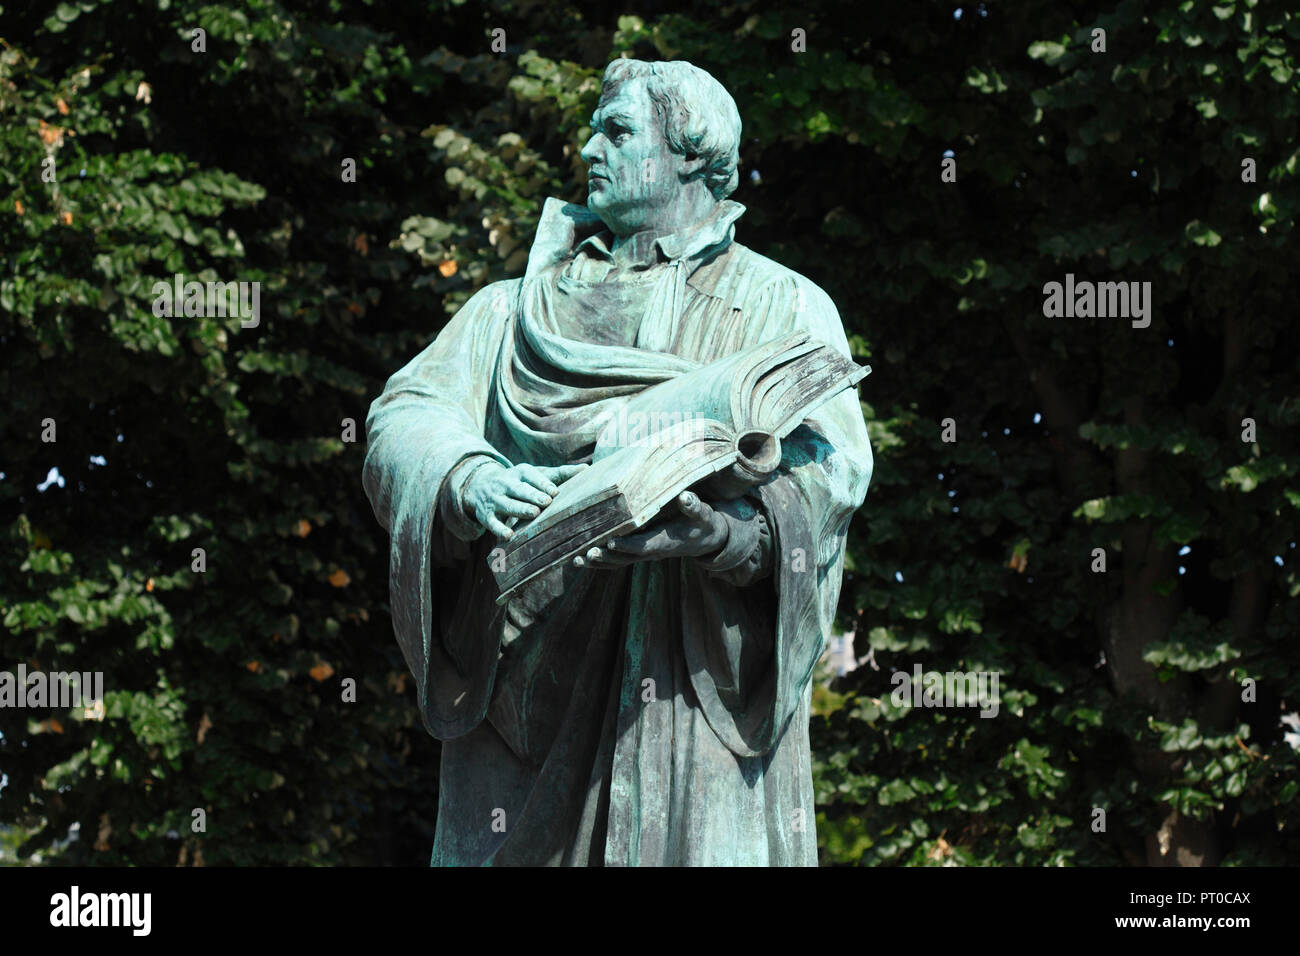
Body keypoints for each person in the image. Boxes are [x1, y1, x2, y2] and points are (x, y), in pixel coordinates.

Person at [362, 58, 873, 865]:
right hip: (531, 692)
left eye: (617, 129)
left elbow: (828, 480)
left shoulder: (785, 305)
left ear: (689, 155)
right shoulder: (508, 311)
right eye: (595, 126)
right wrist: (472, 476)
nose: (588, 144)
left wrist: (721, 535)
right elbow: (403, 416)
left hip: (692, 689)